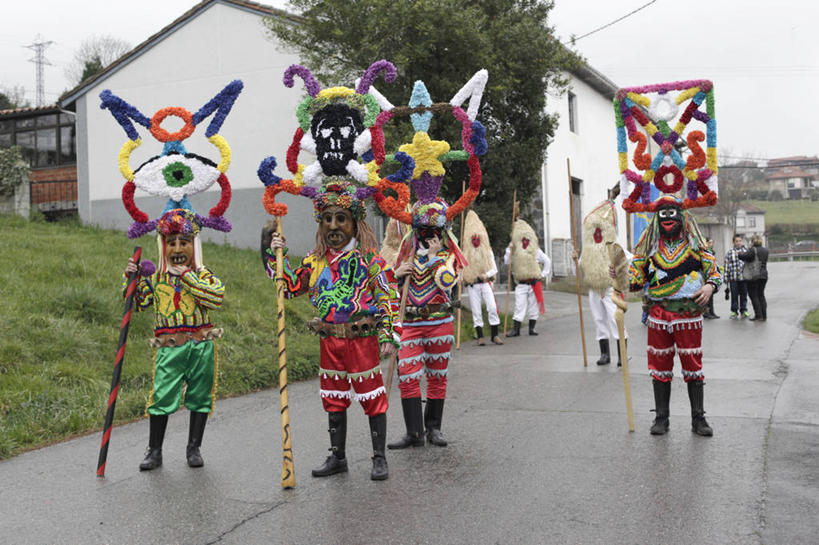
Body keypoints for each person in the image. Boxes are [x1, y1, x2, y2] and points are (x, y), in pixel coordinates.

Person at [264, 182, 397, 481]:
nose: (333, 226)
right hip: (330, 341)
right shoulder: (315, 260)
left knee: (372, 397)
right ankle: (338, 457)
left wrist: (388, 334)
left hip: (361, 341)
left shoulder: (368, 259)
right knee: (334, 397)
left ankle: (379, 457)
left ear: (355, 223)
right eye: (327, 219)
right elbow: (290, 287)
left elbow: (387, 295)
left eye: (341, 219)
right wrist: (276, 255)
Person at [125, 209, 225, 471]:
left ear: (195, 245)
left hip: (201, 347)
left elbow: (215, 298)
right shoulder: (156, 278)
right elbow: (138, 303)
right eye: (171, 243)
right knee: (161, 396)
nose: (178, 249)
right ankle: (154, 451)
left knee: (200, 396)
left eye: (184, 242)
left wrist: (188, 277)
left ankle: (194, 449)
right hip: (170, 349)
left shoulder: (202, 274)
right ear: (163, 246)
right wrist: (132, 279)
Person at [627, 197, 722, 436]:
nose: (668, 218)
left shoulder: (696, 244)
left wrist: (710, 286)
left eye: (672, 213)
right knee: (659, 365)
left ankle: (698, 419)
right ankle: (661, 418)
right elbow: (635, 278)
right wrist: (621, 273)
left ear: (682, 216)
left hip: (688, 314)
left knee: (692, 365)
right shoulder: (648, 247)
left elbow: (715, 271)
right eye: (663, 214)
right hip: (658, 314)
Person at [388, 199, 464, 449]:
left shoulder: (448, 255)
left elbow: (447, 282)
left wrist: (433, 258)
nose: (428, 235)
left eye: (434, 231)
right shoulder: (405, 254)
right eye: (423, 230)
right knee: (408, 376)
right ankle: (414, 432)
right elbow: (388, 289)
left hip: (439, 323)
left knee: (436, 376)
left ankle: (434, 428)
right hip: (409, 324)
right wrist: (396, 275)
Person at [575, 200, 629, 366]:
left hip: (610, 288)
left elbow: (628, 259)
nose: (597, 233)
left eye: (599, 230)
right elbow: (581, 264)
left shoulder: (614, 245)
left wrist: (620, 271)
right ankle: (605, 354)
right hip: (594, 289)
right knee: (599, 320)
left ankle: (622, 355)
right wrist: (575, 259)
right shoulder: (588, 249)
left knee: (615, 320)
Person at [462, 210, 503, 346]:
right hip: (473, 285)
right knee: (476, 310)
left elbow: (494, 268)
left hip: (485, 283)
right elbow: (461, 268)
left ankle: (494, 335)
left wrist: (487, 275)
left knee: (492, 307)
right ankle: (480, 336)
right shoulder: (465, 253)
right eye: (473, 238)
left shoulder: (487, 252)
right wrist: (462, 276)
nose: (476, 241)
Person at [503, 219, 550, 336]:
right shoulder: (515, 250)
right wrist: (509, 250)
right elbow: (507, 262)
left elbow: (547, 261)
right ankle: (516, 330)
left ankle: (532, 329)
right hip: (522, 283)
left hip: (534, 283)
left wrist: (543, 274)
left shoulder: (535, 250)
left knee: (533, 306)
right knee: (519, 306)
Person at [739, 235, 768, 321]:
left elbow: (743, 256)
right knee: (761, 295)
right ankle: (764, 315)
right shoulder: (765, 250)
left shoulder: (752, 250)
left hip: (754, 275)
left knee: (754, 295)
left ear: (752, 242)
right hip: (764, 275)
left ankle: (758, 315)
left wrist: (739, 254)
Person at [724, 234, 749, 319]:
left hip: (744, 278)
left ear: (742, 241)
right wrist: (726, 277)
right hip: (733, 278)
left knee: (744, 295)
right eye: (736, 241)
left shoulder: (746, 251)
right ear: (733, 242)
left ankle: (744, 310)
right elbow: (726, 265)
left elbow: (749, 264)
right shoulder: (730, 252)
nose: (738, 243)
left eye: (740, 241)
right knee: (734, 295)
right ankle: (734, 311)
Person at [702, 238, 721, 319]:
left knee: (711, 295)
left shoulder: (712, 251)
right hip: (706, 275)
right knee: (706, 296)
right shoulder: (704, 251)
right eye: (709, 242)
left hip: (711, 274)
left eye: (712, 243)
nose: (711, 244)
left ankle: (712, 312)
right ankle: (706, 312)